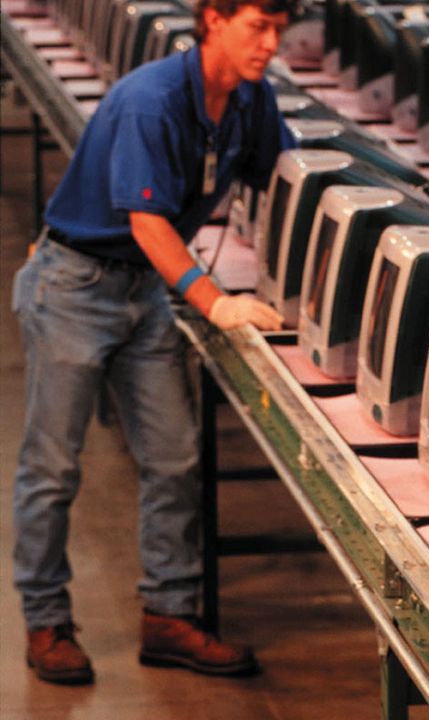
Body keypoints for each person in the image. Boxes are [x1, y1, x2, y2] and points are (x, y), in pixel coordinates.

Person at [11, 0, 298, 686]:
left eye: (279, 30)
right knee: (53, 469)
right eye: (258, 25)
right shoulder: (153, 100)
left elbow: (288, 173)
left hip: (143, 292)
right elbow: (146, 222)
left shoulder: (251, 101)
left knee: (173, 458)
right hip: (76, 287)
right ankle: (46, 621)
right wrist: (214, 301)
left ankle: (170, 616)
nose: (270, 43)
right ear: (213, 19)